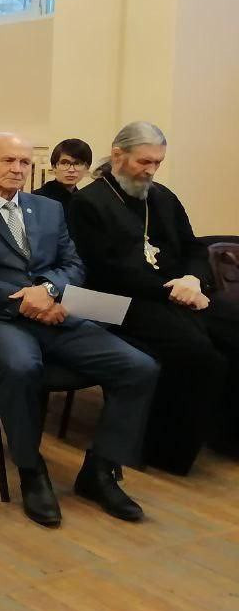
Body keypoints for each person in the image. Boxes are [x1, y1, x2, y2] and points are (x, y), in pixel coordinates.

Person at [0, 132, 158, 527]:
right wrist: (26, 300)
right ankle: (31, 470)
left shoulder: (48, 208)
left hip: (56, 311)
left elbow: (73, 265)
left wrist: (48, 291)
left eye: (24, 162)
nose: (17, 169)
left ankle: (99, 471)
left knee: (139, 367)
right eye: (8, 160)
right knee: (22, 367)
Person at [70, 122, 239, 472]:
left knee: (233, 329)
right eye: (143, 161)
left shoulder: (162, 197)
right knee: (198, 352)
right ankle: (164, 450)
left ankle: (226, 437)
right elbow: (105, 270)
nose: (150, 170)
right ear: (118, 155)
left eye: (157, 163)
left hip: (174, 293)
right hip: (111, 300)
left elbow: (194, 247)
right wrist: (173, 290)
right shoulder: (88, 203)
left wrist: (193, 279)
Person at [35, 138, 92, 219]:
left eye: (77, 163)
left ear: (87, 168)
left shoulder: (83, 200)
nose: (71, 170)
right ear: (54, 167)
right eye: (65, 163)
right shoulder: (39, 198)